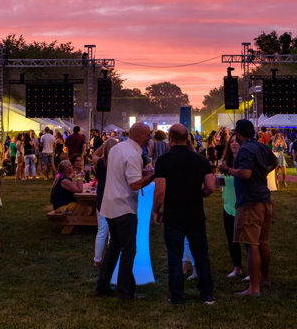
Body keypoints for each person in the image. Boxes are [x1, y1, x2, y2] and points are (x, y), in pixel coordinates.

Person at [152, 124, 216, 305]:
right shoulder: (200, 160)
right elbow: (211, 187)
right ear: (188, 138)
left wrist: (156, 210)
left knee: (174, 256)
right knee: (201, 254)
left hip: (173, 214)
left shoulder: (163, 161)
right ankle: (207, 294)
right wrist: (198, 195)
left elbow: (160, 191)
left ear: (170, 139)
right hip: (195, 213)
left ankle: (177, 297)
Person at [95, 122, 156, 300]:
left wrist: (140, 173)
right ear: (138, 137)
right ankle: (125, 291)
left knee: (114, 246)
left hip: (109, 205)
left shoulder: (117, 148)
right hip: (124, 208)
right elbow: (135, 184)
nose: (150, 137)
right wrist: (152, 175)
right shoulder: (132, 154)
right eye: (147, 134)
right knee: (128, 250)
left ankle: (102, 285)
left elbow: (121, 174)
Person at [219, 119, 277, 297]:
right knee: (263, 244)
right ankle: (264, 279)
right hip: (265, 200)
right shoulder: (261, 146)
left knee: (251, 245)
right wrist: (263, 173)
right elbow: (274, 162)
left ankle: (253, 288)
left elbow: (245, 173)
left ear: (240, 134)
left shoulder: (244, 149)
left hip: (250, 202)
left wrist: (227, 169)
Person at [219, 133, 244, 278]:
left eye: (237, 141)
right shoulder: (226, 161)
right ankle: (237, 267)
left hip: (243, 205)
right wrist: (218, 178)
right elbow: (221, 183)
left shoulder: (245, 162)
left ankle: (253, 269)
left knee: (248, 240)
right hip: (228, 205)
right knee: (231, 239)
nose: (234, 144)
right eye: (232, 141)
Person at [92, 138, 118, 267]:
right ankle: (109, 258)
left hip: (102, 199)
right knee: (113, 232)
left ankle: (97, 259)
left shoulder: (101, 163)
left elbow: (94, 155)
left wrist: (104, 145)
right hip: (115, 200)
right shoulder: (119, 164)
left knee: (102, 230)